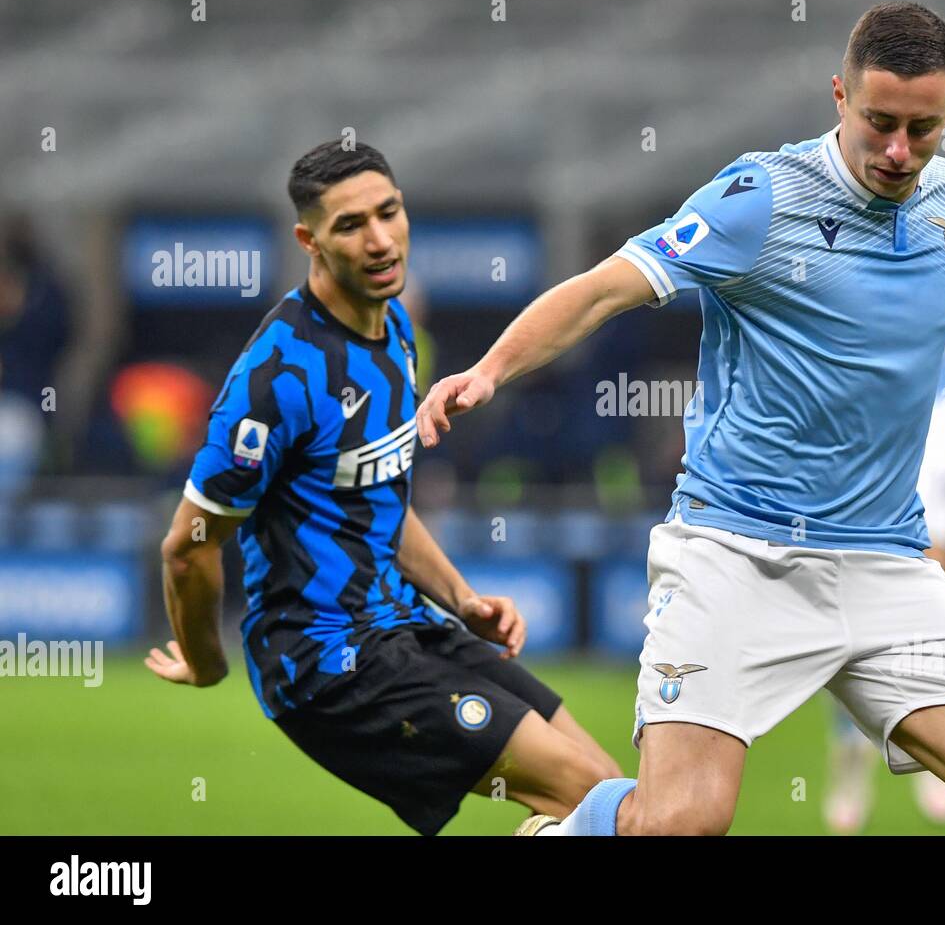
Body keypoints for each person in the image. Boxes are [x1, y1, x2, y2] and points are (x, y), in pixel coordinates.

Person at [419, 2, 945, 836]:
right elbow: (604, 289)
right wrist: (489, 370)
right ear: (840, 96)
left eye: (922, 128)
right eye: (878, 123)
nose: (899, 151)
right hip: (737, 554)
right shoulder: (758, 199)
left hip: (887, 563)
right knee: (682, 823)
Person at [148, 141, 619, 835]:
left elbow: (376, 505)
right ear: (309, 239)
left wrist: (460, 598)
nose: (378, 240)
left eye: (388, 213)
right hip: (328, 663)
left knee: (609, 794)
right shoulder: (273, 383)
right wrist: (205, 658)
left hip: (404, 622)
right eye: (349, 225)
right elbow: (187, 546)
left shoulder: (396, 328)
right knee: (589, 798)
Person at [823, 349, 945, 832]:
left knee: (938, 584)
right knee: (856, 602)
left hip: (937, 404)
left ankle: (941, 753)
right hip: (869, 404)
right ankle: (849, 758)